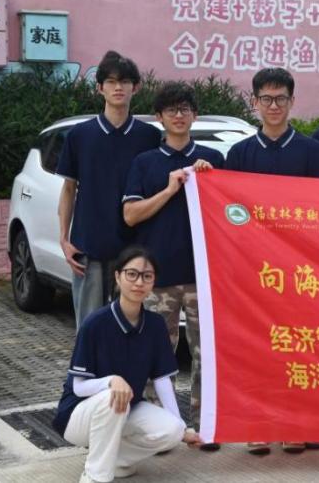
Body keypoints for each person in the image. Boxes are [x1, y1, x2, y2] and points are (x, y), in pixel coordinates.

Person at [225, 67, 319, 454]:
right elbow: (230, 212)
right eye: (266, 99)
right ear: (254, 102)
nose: (273, 106)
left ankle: (295, 423)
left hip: (299, 270)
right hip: (255, 270)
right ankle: (258, 425)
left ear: (292, 102)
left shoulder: (311, 151)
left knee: (298, 348)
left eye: (280, 98)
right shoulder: (240, 154)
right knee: (257, 347)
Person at [122, 82, 224, 452]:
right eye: (171, 110)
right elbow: (130, 215)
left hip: (203, 279)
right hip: (158, 280)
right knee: (157, 358)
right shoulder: (145, 162)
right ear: (159, 117)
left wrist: (210, 181)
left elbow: (231, 215)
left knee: (206, 357)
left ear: (195, 115)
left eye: (185, 109)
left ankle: (206, 425)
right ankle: (160, 431)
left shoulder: (213, 159)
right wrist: (169, 190)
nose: (179, 116)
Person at [53, 246, 202, 483]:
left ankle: (117, 461)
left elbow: (162, 380)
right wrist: (111, 381)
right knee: (112, 397)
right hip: (78, 416)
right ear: (117, 276)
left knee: (171, 430)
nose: (138, 282)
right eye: (131, 274)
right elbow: (79, 387)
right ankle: (95, 476)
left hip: (126, 409)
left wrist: (182, 427)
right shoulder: (95, 323)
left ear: (153, 282)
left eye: (147, 276)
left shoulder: (155, 324)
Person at [57, 51, 160, 328]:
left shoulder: (149, 136)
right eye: (111, 82)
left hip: (134, 248)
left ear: (136, 87)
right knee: (89, 326)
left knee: (130, 325)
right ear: (99, 87)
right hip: (88, 245)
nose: (118, 87)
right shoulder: (79, 135)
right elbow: (68, 189)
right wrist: (64, 239)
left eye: (125, 81)